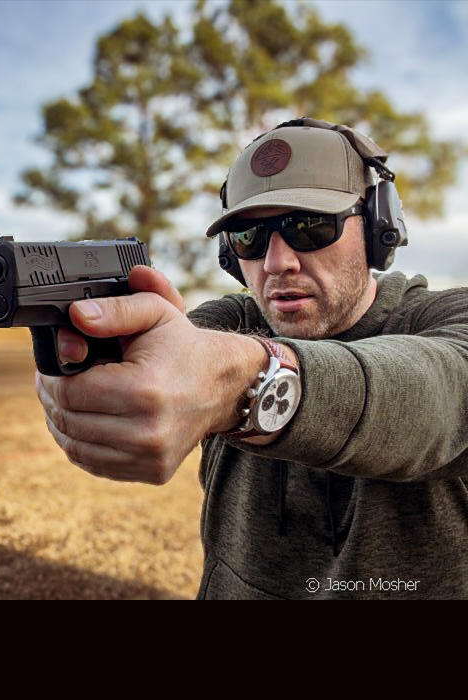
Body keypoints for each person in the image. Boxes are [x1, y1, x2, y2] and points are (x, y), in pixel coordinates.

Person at [35, 118, 468, 599]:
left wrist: (244, 381)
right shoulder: (231, 320)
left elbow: (440, 392)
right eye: (249, 238)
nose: (276, 262)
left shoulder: (447, 318)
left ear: (377, 230)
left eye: (309, 226)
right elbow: (173, 347)